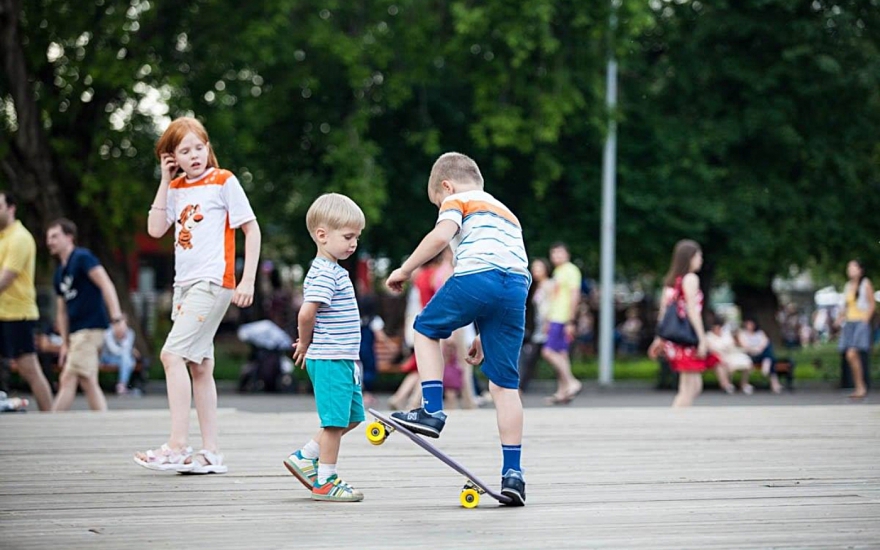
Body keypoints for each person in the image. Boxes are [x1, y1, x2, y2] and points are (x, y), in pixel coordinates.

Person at [385, 152, 529, 506]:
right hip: (516, 287)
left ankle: (431, 410)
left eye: (437, 202)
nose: (440, 207)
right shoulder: (507, 213)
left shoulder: (457, 200)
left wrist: (405, 269)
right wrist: (484, 332)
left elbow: (440, 237)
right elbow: (507, 269)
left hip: (476, 275)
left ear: (446, 186)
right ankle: (513, 475)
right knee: (504, 387)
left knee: (424, 329)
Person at [135, 116, 261, 473]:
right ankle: (210, 453)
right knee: (200, 366)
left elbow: (252, 230)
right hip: (184, 286)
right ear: (172, 156)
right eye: (184, 150)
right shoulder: (175, 188)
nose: (194, 155)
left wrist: (247, 280)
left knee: (171, 355)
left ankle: (177, 445)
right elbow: (155, 228)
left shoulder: (224, 181)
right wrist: (164, 180)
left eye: (199, 147)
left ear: (208, 148)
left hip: (213, 281)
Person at [284, 193, 366, 502]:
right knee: (333, 423)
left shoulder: (334, 270)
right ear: (322, 235)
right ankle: (325, 480)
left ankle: (305, 457)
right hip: (330, 358)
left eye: (356, 237)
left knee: (352, 417)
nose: (353, 243)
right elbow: (307, 313)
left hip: (341, 358)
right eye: (348, 237)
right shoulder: (323, 272)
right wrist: (305, 342)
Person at [46, 219, 129, 412]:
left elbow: (106, 284)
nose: (50, 241)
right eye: (48, 237)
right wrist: (64, 343)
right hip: (75, 333)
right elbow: (61, 311)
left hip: (90, 328)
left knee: (68, 378)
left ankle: (50, 422)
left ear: (69, 237)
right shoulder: (59, 274)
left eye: (55, 236)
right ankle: (103, 421)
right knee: (87, 379)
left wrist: (117, 318)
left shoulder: (82, 258)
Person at [0, 192, 53, 411]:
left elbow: (6, 278)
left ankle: (51, 418)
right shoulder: (2, 237)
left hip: (17, 313)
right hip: (2, 312)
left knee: (28, 368)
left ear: (11, 208)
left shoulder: (20, 237)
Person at [648, 239, 709, 408]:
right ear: (690, 257)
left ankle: (679, 416)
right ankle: (677, 418)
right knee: (690, 388)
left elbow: (663, 313)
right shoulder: (691, 278)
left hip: (674, 339)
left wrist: (659, 338)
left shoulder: (670, 282)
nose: (701, 260)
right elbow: (692, 311)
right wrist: (702, 339)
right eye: (698, 256)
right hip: (686, 338)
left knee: (691, 386)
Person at [541, 242, 583, 404]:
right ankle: (563, 391)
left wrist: (571, 320)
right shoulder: (558, 271)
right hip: (555, 317)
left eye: (560, 253)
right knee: (561, 354)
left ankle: (572, 381)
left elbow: (574, 295)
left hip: (562, 318)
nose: (556, 256)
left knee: (549, 352)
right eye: (554, 253)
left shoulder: (571, 270)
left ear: (567, 254)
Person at [837, 259, 874, 399]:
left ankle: (861, 386)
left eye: (853, 267)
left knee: (852, 354)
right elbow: (846, 306)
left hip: (860, 322)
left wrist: (865, 320)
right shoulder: (848, 286)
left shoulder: (865, 284)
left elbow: (871, 304)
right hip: (849, 323)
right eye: (849, 267)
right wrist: (840, 317)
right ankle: (859, 386)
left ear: (860, 270)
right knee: (851, 356)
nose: (850, 270)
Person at [518, 258, 554, 392]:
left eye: (539, 267)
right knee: (531, 356)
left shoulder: (549, 284)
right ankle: (520, 386)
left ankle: (520, 386)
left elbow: (551, 305)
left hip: (545, 325)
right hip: (538, 327)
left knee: (537, 355)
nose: (536, 270)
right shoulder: (534, 286)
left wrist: (548, 322)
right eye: (534, 268)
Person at [705, 318, 754, 395]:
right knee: (722, 364)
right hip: (717, 356)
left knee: (746, 362)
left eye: (719, 328)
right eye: (715, 328)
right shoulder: (708, 336)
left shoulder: (726, 335)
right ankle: (726, 384)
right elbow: (711, 349)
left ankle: (744, 384)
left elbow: (731, 346)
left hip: (730, 354)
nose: (717, 330)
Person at [737, 319, 783, 394]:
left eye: (751, 324)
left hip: (761, 354)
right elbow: (744, 346)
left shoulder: (760, 333)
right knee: (770, 357)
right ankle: (774, 383)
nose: (749, 326)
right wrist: (754, 349)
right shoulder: (742, 334)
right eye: (748, 324)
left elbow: (765, 343)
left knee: (768, 351)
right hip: (750, 355)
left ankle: (768, 369)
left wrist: (759, 349)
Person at [101, 320, 137, 396]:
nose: (122, 332)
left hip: (121, 359)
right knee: (129, 361)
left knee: (127, 360)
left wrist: (124, 339)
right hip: (107, 358)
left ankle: (122, 385)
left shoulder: (129, 333)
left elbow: (127, 349)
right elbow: (114, 350)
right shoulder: (108, 332)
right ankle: (122, 385)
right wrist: (124, 345)